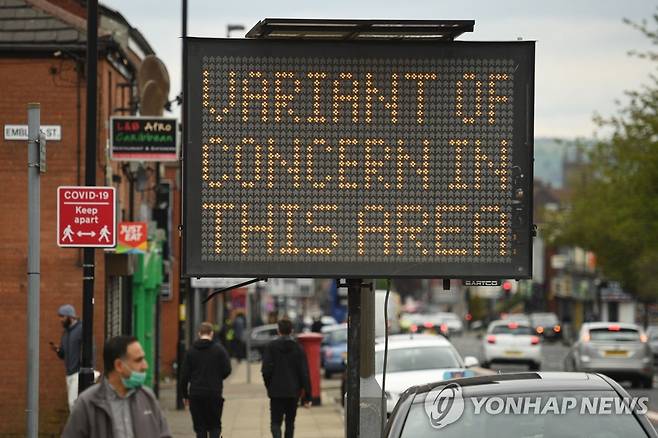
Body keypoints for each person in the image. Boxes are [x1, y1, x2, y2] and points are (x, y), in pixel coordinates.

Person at [61, 335, 171, 437]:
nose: (145, 366)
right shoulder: (88, 403)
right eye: (138, 360)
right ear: (119, 365)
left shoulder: (147, 397)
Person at [180, 322, 232, 438]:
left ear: (199, 334)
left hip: (196, 393)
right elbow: (227, 369)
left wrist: (185, 395)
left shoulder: (191, 351)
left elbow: (184, 376)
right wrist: (218, 378)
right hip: (214, 392)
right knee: (215, 426)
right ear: (211, 334)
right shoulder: (219, 350)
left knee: (200, 428)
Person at [262, 318, 312, 438]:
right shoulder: (298, 348)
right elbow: (304, 373)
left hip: (276, 391)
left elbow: (266, 371)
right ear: (292, 331)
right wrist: (307, 396)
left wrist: (269, 386)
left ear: (278, 331)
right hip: (293, 392)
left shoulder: (271, 347)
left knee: (275, 422)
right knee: (290, 423)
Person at [50, 304, 82, 411]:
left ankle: (77, 427)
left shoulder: (81, 329)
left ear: (70, 317)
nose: (60, 320)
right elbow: (63, 355)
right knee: (72, 404)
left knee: (73, 403)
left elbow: (91, 349)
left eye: (62, 317)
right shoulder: (65, 333)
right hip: (69, 373)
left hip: (78, 372)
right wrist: (58, 350)